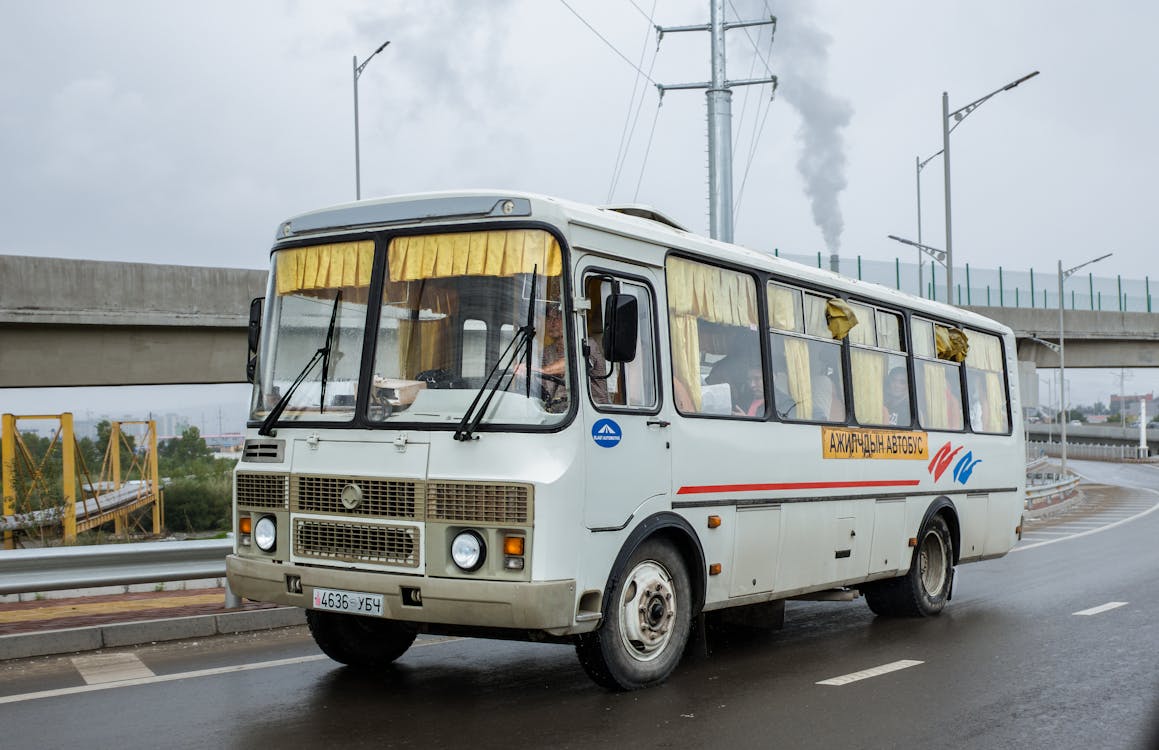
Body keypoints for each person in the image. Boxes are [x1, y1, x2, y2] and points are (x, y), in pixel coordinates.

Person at [516, 303, 608, 412]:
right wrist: (525, 374)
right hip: (557, 413)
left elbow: (573, 363)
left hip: (589, 411)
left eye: (557, 318)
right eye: (549, 318)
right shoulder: (547, 352)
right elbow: (540, 383)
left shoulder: (588, 344)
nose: (552, 323)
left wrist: (540, 371)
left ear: (570, 321)